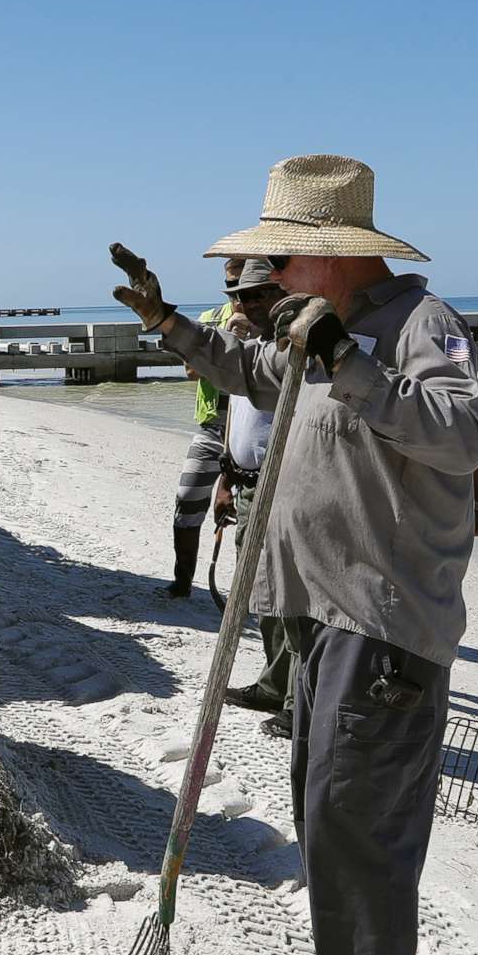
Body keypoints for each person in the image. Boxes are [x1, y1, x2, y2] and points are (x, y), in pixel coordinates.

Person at [111, 153, 478, 955]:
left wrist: (348, 361)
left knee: (359, 823)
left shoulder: (414, 324)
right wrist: (166, 323)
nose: (270, 275)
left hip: (383, 620)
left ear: (335, 256)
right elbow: (253, 372)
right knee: (327, 813)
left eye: (282, 258)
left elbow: (462, 433)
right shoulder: (324, 330)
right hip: (317, 617)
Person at [205, 260, 300, 728]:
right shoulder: (248, 352)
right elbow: (236, 426)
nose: (242, 304)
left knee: (286, 595)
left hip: (279, 485)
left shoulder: (289, 352)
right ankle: (273, 684)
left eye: (255, 294)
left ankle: (293, 700)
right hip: (244, 481)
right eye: (235, 296)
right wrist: (225, 480)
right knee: (259, 593)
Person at [158, 265, 245, 599]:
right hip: (213, 428)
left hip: (254, 431)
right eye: (234, 287)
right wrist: (228, 339)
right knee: (187, 500)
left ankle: (247, 589)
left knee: (251, 514)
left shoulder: (268, 318)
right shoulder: (211, 318)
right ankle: (182, 581)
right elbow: (191, 369)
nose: (240, 295)